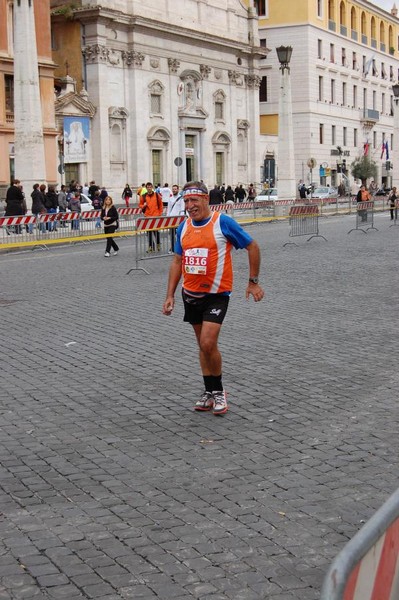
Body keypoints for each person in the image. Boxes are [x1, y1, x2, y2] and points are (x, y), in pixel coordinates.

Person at [162, 181, 264, 416]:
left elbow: (253, 246)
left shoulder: (222, 222)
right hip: (191, 294)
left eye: (194, 200)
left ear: (206, 199)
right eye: (186, 201)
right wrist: (169, 295)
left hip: (217, 295)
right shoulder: (184, 227)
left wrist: (253, 281)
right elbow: (177, 261)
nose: (189, 206)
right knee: (203, 346)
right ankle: (208, 392)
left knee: (208, 343)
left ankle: (218, 392)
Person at [139, 182, 163, 252]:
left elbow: (160, 204)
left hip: (155, 215)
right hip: (147, 216)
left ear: (152, 187)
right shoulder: (143, 196)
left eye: (150, 187)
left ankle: (158, 244)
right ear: (146, 188)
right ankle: (151, 247)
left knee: (156, 231)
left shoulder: (156, 195)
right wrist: (144, 206)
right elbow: (140, 205)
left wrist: (160, 213)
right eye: (148, 187)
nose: (149, 188)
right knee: (149, 232)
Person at [166, 184, 185, 252]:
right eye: (173, 189)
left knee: (179, 234)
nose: (174, 190)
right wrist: (167, 218)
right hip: (171, 219)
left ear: (178, 190)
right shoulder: (170, 199)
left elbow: (182, 209)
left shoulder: (181, 199)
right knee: (172, 235)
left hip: (178, 219)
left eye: (175, 189)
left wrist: (182, 218)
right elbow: (168, 209)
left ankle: (179, 247)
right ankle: (173, 247)